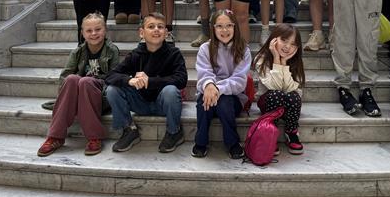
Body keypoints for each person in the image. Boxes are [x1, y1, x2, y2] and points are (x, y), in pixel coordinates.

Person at [37, 13, 120, 157]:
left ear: (105, 30)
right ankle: (55, 137)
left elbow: (114, 79)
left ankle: (94, 137)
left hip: (101, 98)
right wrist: (72, 97)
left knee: (85, 81)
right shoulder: (78, 52)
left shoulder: (112, 50)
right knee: (71, 79)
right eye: (89, 30)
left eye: (98, 29)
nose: (94, 33)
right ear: (82, 33)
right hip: (80, 96)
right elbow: (64, 78)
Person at [105, 13, 188, 153]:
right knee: (112, 89)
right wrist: (129, 80)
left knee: (171, 90)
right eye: (151, 26)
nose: (156, 29)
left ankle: (174, 132)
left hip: (164, 104)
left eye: (160, 27)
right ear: (142, 33)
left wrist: (150, 81)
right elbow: (111, 75)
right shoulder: (136, 54)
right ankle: (129, 130)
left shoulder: (174, 53)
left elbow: (181, 79)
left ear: (166, 33)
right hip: (140, 103)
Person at [192, 9, 250, 159]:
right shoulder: (205, 48)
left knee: (224, 101)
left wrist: (216, 88)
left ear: (235, 27)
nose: (224, 30)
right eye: (219, 26)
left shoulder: (243, 49)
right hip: (208, 95)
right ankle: (201, 141)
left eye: (229, 25)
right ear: (213, 28)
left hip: (233, 98)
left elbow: (239, 81)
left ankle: (232, 143)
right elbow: (204, 73)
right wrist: (209, 85)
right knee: (203, 101)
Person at [252, 23, 306, 155]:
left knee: (294, 96)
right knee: (276, 94)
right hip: (268, 101)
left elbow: (290, 89)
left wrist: (284, 63)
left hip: (288, 103)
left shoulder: (296, 62)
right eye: (284, 40)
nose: (288, 47)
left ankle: (291, 132)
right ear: (274, 39)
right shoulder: (261, 59)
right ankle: (271, 131)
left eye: (293, 44)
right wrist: (276, 59)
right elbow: (274, 86)